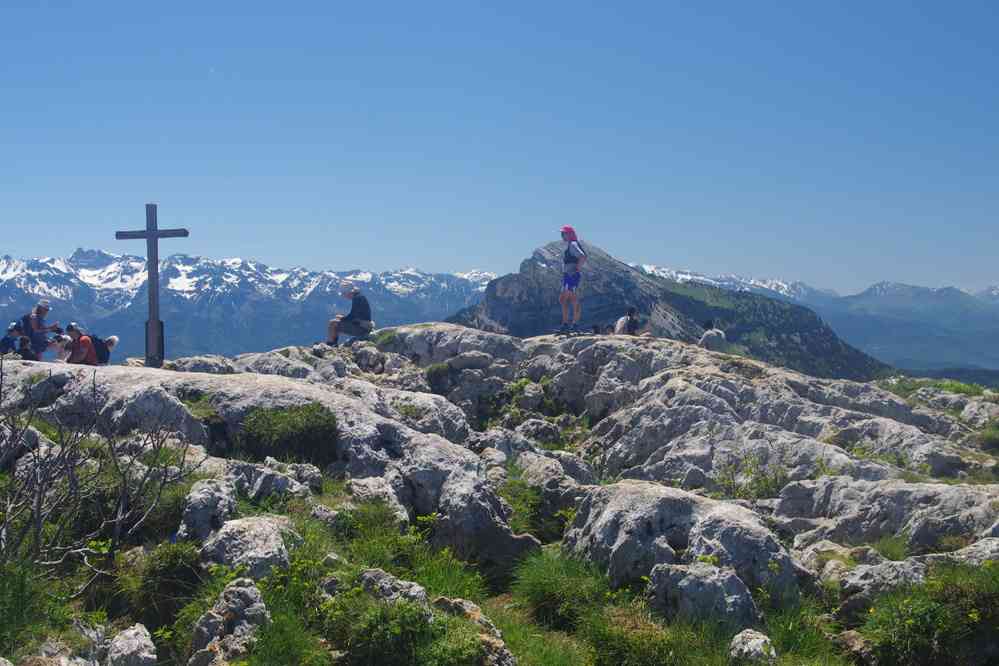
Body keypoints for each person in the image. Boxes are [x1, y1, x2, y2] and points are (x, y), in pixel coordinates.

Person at [558, 225, 587, 333]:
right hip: (569, 275)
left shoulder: (573, 244)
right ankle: (570, 324)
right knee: (565, 299)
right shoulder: (572, 244)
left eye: (564, 234)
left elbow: (582, 256)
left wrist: (577, 269)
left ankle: (571, 325)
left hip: (571, 275)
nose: (562, 236)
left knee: (570, 299)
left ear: (570, 234)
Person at [327, 282, 374, 347]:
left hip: (362, 328)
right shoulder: (359, 297)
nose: (344, 296)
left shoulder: (357, 299)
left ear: (348, 293)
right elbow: (355, 315)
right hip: (364, 325)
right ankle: (333, 344)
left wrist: (342, 318)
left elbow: (353, 316)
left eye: (344, 294)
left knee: (332, 323)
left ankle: (331, 344)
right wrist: (342, 318)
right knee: (337, 320)